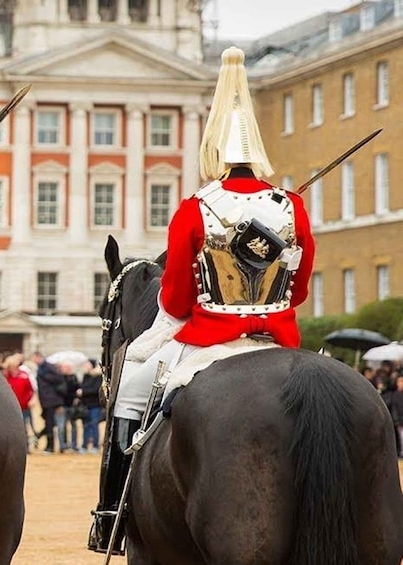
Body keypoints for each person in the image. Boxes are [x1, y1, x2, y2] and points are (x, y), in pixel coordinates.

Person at [88, 46, 315, 554]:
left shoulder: (196, 208)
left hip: (208, 340)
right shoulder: (289, 207)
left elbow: (175, 296)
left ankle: (113, 513)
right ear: (258, 151)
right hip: (279, 339)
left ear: (212, 150)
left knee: (130, 387)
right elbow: (298, 289)